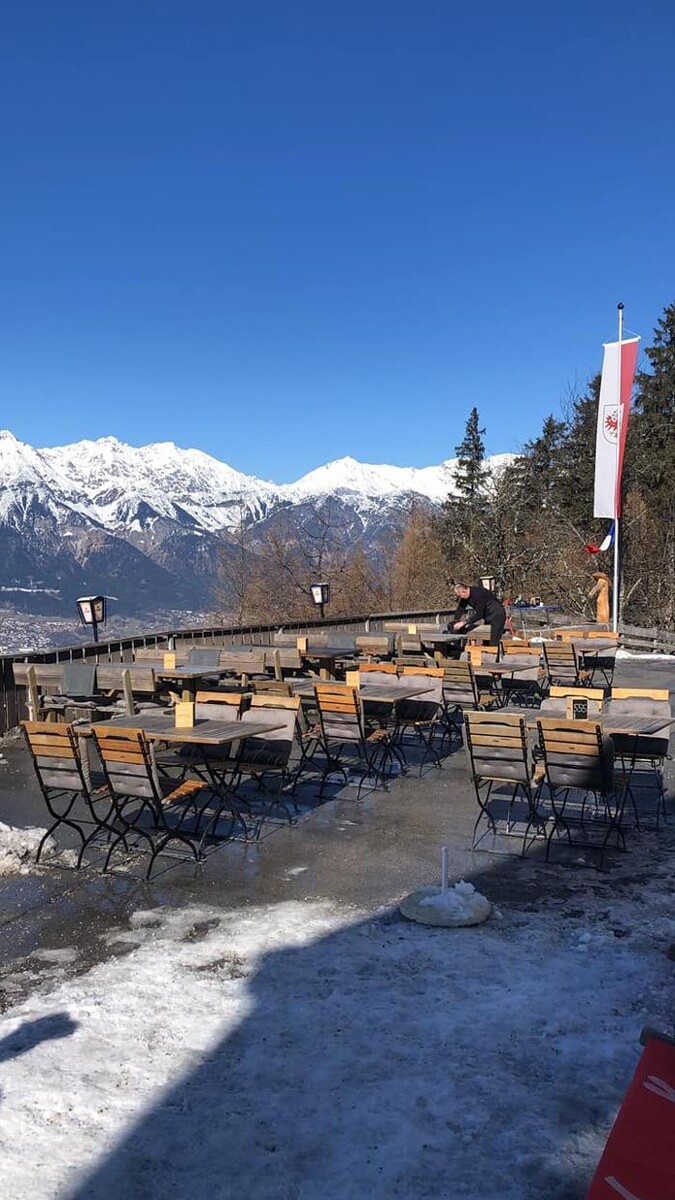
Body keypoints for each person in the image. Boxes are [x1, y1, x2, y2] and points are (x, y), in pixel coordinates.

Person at [451, 581, 507, 646]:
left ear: (464, 591)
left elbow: (479, 614)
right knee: (486, 641)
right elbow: (460, 609)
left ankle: (496, 654)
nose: (460, 598)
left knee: (493, 641)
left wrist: (464, 623)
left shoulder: (478, 594)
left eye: (460, 596)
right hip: (488, 617)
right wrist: (455, 621)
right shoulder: (465, 597)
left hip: (497, 615)